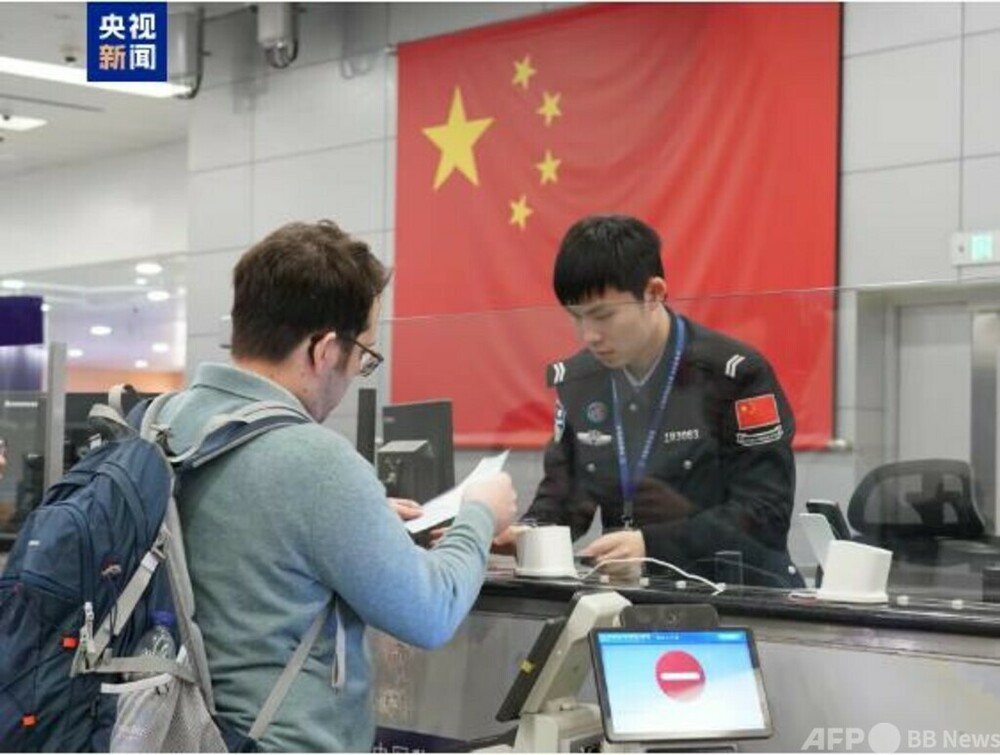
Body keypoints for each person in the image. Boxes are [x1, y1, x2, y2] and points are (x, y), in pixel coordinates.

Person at [157, 220, 517, 751]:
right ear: (325, 350)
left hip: (175, 732)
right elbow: (430, 612)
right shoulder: (314, 461)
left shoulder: (165, 420)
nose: (355, 374)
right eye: (364, 355)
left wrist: (361, 516)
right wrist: (479, 514)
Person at [502, 215, 801, 588]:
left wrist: (650, 545)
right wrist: (527, 531)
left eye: (603, 316)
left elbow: (764, 513)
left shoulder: (734, 376)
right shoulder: (581, 381)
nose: (589, 335)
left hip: (738, 591)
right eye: (576, 318)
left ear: (654, 293)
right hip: (631, 593)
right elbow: (565, 499)